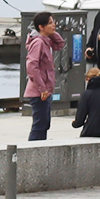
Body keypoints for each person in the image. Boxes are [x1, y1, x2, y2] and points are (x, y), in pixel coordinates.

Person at [24, 12, 61, 141]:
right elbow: (31, 66)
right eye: (50, 23)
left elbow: (60, 44)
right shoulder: (38, 43)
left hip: (46, 90)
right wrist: (42, 89)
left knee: (44, 123)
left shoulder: (46, 41)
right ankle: (33, 149)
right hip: (39, 91)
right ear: (41, 26)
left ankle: (40, 147)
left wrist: (52, 32)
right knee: (39, 125)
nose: (54, 25)